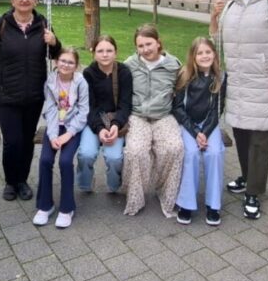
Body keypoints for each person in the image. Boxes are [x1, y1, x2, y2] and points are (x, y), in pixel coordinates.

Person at [210, 0, 268, 221]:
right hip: (238, 82)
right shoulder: (230, 6)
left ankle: (254, 192)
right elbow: (217, 39)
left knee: (261, 137)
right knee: (242, 134)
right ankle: (246, 176)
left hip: (263, 81)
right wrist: (214, 16)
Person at [0, 0, 61, 201]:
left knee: (27, 141)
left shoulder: (43, 24)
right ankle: (10, 181)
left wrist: (54, 42)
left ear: (35, 0)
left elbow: (56, 55)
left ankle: (23, 181)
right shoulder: (0, 25)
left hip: (34, 95)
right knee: (12, 141)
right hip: (7, 94)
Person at [121, 24, 183, 217]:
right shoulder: (130, 65)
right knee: (135, 151)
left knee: (174, 148)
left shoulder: (173, 65)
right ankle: (135, 199)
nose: (145, 49)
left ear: (158, 43)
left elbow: (183, 92)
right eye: (140, 46)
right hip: (138, 116)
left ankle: (165, 193)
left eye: (149, 44)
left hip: (164, 116)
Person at [172, 37, 227, 226]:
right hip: (188, 124)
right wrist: (195, 132)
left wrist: (206, 131)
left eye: (208, 52)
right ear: (193, 57)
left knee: (215, 153)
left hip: (209, 124)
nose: (204, 56)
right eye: (200, 53)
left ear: (214, 54)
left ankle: (213, 204)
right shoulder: (184, 76)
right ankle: (186, 203)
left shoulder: (220, 77)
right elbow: (178, 108)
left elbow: (217, 109)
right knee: (192, 153)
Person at [33, 47, 89, 228]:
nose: (66, 65)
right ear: (56, 62)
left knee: (65, 162)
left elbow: (83, 111)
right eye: (62, 61)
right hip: (54, 126)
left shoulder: (81, 82)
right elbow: (50, 109)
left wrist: (68, 134)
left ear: (76, 65)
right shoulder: (50, 81)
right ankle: (45, 205)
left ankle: (67, 208)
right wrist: (52, 135)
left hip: (73, 127)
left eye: (70, 62)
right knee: (45, 160)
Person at [77, 35, 131, 194]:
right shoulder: (88, 74)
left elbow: (125, 104)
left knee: (114, 158)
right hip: (94, 121)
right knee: (86, 154)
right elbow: (89, 106)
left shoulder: (124, 73)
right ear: (93, 53)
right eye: (100, 51)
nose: (105, 54)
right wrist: (100, 129)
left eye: (109, 50)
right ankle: (85, 184)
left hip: (116, 122)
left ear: (116, 52)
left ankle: (114, 186)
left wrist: (116, 126)